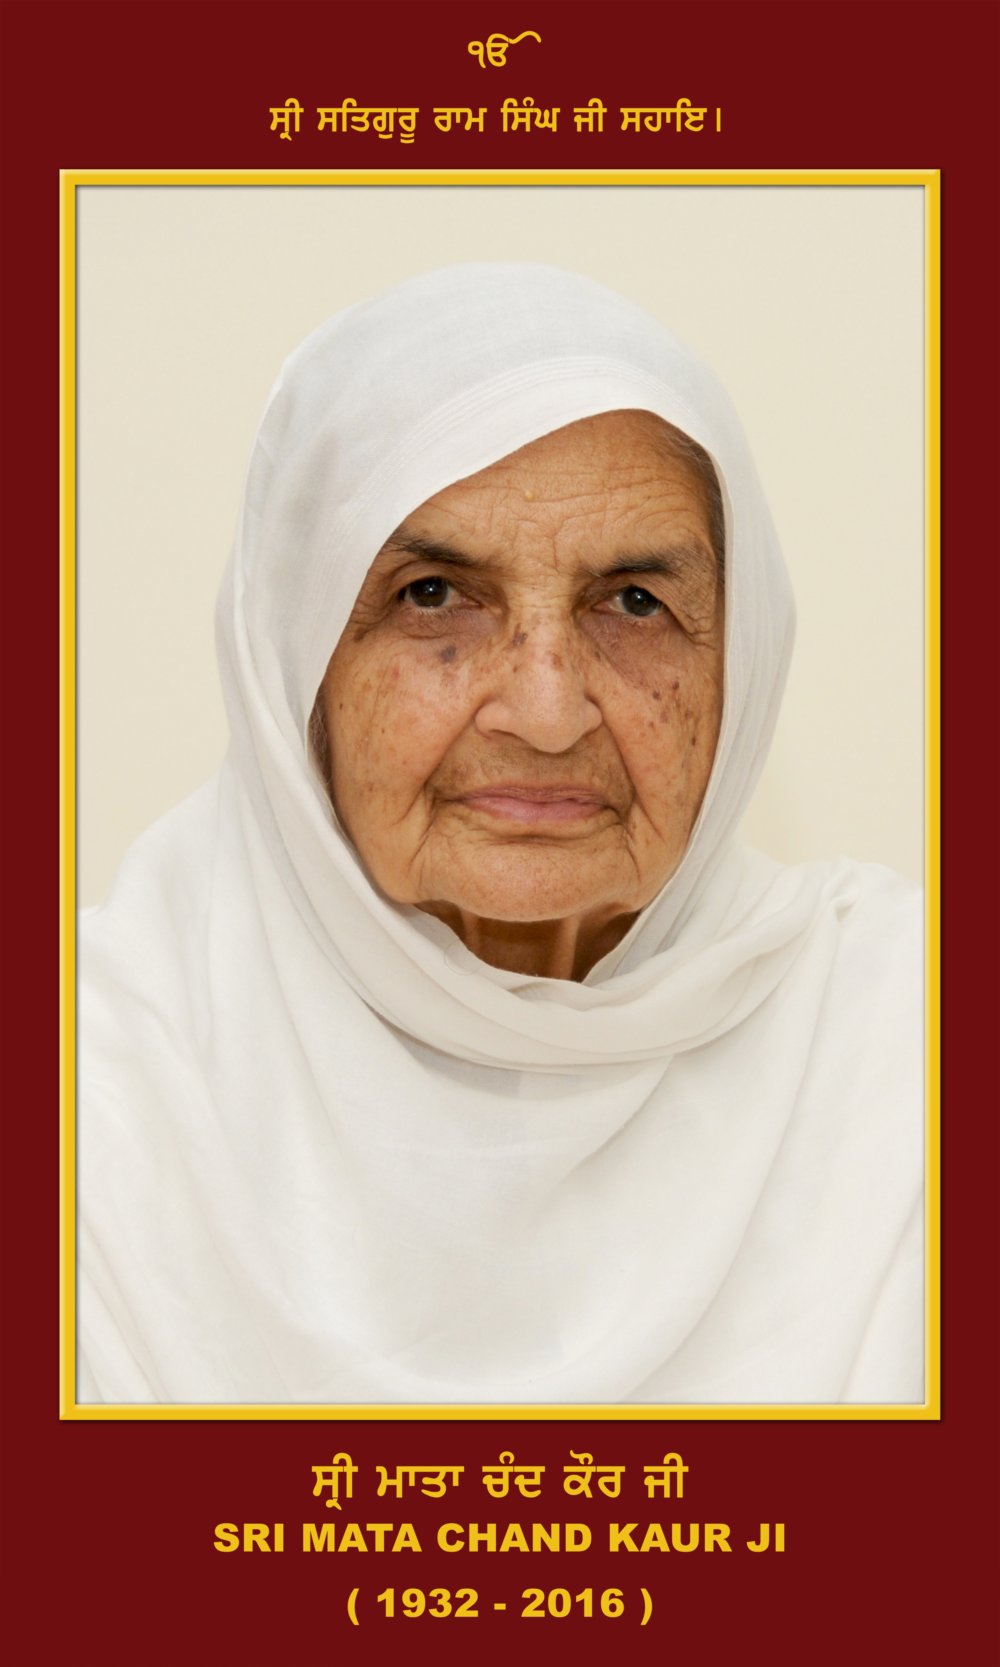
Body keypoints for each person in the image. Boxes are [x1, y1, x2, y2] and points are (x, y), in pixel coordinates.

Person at [78, 264, 924, 1406]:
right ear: (295, 663)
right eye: (433, 594)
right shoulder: (93, 1091)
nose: (545, 709)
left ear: (741, 658)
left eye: (634, 603)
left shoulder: (904, 1050)